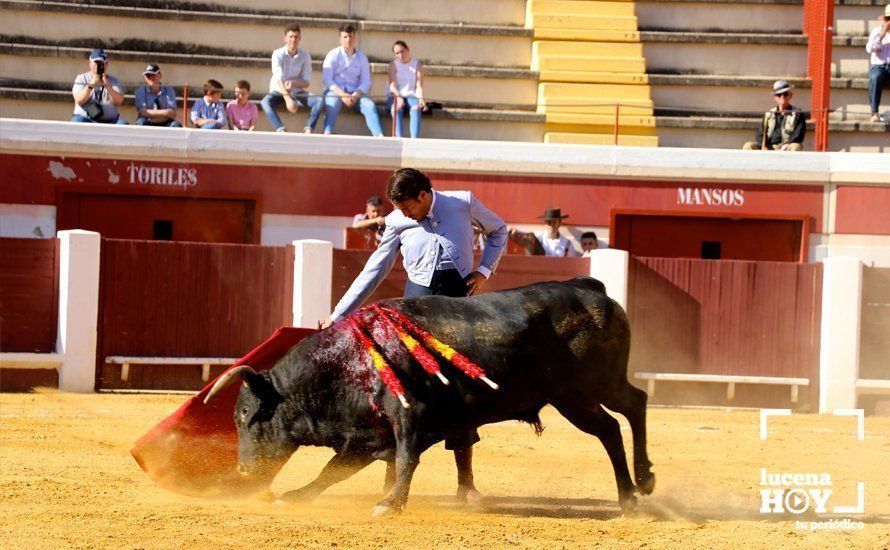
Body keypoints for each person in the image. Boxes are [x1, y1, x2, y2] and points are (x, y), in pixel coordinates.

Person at [323, 168, 508, 504]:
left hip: (456, 307)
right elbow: (374, 269)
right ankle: (390, 480)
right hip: (414, 309)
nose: (404, 214)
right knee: (400, 389)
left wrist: (484, 270)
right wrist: (339, 314)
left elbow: (499, 230)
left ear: (424, 195)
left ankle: (465, 484)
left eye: (408, 207)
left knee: (458, 391)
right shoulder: (396, 222)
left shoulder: (463, 203)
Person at [321, 24, 384, 136]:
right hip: (336, 92)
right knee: (333, 102)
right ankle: (327, 131)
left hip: (355, 93)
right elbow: (327, 79)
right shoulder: (332, 55)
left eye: (350, 36)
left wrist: (355, 94)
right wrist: (342, 95)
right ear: (340, 39)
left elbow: (366, 81)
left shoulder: (362, 58)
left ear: (355, 38)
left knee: (369, 105)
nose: (348, 40)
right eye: (345, 37)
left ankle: (379, 135)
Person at [261, 22, 323, 133]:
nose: (293, 40)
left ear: (300, 38)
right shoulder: (277, 54)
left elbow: (306, 82)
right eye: (290, 37)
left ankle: (309, 128)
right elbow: (278, 78)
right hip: (278, 91)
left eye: (296, 37)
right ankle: (280, 129)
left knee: (319, 100)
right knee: (265, 102)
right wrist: (288, 99)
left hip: (297, 92)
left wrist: (294, 84)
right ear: (285, 38)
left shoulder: (305, 56)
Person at [742, 80, 806, 151]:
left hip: (786, 147)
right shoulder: (768, 114)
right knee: (748, 146)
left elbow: (798, 135)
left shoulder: (797, 114)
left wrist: (787, 145)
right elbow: (760, 135)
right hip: (769, 147)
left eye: (785, 94)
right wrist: (763, 147)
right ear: (775, 97)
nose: (782, 97)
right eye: (779, 94)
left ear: (790, 95)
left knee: (795, 146)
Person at [71, 48, 127, 124]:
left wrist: (108, 85)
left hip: (110, 121)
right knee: (77, 121)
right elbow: (79, 100)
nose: (98, 66)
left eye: (101, 63)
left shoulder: (114, 80)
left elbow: (119, 101)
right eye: (96, 63)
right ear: (90, 64)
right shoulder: (81, 78)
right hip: (86, 119)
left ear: (106, 65)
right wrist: (91, 85)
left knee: (123, 124)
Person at [388, 41, 427, 138]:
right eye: (397, 53)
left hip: (411, 95)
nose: (400, 55)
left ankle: (414, 140)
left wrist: (421, 99)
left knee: (416, 108)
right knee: (395, 109)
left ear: (408, 49)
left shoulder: (417, 65)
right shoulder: (393, 64)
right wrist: (398, 97)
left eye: (402, 51)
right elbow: (392, 85)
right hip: (396, 94)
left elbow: (418, 86)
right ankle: (398, 139)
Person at [509, 207, 580, 257]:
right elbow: (524, 233)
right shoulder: (538, 237)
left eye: (554, 222)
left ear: (559, 222)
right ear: (545, 223)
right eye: (549, 222)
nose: (551, 225)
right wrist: (514, 230)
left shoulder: (568, 244)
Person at [866, 5, 890, 122]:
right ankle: (874, 112)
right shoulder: (876, 31)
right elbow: (869, 49)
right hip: (879, 66)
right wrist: (882, 35)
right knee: (875, 77)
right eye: (887, 19)